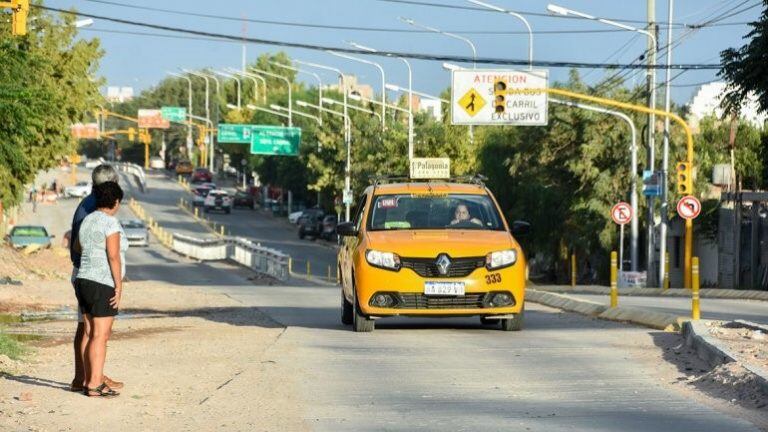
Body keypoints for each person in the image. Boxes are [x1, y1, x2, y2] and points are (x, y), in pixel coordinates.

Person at [69, 165, 123, 394]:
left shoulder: (86, 212)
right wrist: (119, 285)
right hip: (99, 280)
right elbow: (113, 255)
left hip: (83, 277)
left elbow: (76, 245)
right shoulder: (105, 218)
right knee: (98, 334)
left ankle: (88, 378)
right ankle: (91, 381)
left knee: (89, 331)